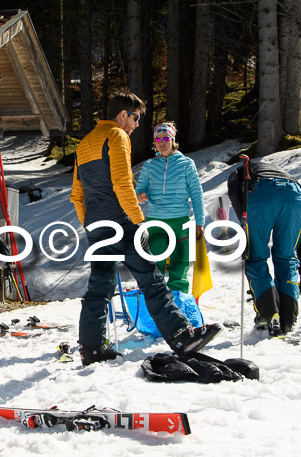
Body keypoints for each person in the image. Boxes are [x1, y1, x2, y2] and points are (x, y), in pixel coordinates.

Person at [69, 92, 221, 366]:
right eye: (136, 118)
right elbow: (122, 183)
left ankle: (90, 348)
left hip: (97, 224)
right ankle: (181, 336)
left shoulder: (84, 144)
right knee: (152, 281)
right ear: (122, 115)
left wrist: (88, 223)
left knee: (98, 288)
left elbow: (77, 194)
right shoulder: (116, 136)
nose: (137, 125)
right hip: (123, 223)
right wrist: (139, 222)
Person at [227, 161, 301, 335]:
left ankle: (268, 314)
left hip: (262, 194)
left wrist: (244, 225)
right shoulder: (285, 175)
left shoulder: (238, 173)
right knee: (287, 257)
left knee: (255, 256)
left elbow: (236, 199)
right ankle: (288, 317)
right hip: (295, 196)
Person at [135, 122, 205, 293]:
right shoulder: (150, 165)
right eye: (158, 139)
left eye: (166, 138)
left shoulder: (186, 164)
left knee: (180, 266)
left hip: (180, 221)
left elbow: (196, 193)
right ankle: (156, 302)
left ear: (173, 139)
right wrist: (140, 195)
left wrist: (200, 221)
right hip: (156, 221)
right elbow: (138, 191)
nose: (162, 142)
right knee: (155, 261)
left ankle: (179, 304)